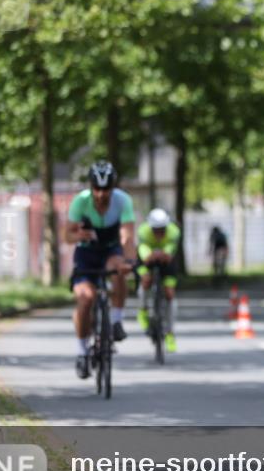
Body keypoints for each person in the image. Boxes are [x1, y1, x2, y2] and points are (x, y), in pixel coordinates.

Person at [65, 161, 137, 379]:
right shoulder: (81, 202)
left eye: (106, 189)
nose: (101, 194)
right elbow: (66, 236)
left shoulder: (122, 201)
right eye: (97, 188)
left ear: (113, 187)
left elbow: (127, 235)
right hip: (86, 254)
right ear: (91, 186)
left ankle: (115, 320)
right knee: (86, 298)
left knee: (118, 270)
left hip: (110, 251)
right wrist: (79, 236)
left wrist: (129, 261)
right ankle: (81, 351)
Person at [137, 208, 181, 352]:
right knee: (145, 280)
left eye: (162, 230)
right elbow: (142, 249)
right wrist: (147, 256)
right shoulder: (143, 231)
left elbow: (171, 250)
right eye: (155, 230)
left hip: (166, 262)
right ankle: (143, 310)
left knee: (169, 293)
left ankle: (170, 333)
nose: (159, 234)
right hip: (147, 257)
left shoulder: (174, 232)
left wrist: (166, 253)